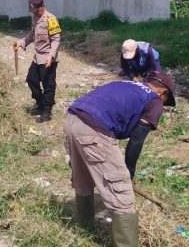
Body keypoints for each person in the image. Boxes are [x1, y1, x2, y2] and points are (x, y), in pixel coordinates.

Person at [63, 71, 176, 247]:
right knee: (121, 193)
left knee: (83, 179)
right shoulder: (154, 101)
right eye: (165, 101)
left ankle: (84, 231)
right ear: (163, 92)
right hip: (94, 128)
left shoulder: (127, 84)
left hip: (72, 119)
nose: (163, 106)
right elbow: (136, 140)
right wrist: (128, 174)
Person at [12, 0, 61, 123]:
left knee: (48, 85)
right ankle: (40, 103)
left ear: (42, 7)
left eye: (37, 11)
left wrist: (51, 55)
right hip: (37, 57)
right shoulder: (34, 18)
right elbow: (31, 35)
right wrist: (21, 43)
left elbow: (56, 40)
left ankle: (47, 111)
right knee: (31, 80)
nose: (35, 13)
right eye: (33, 11)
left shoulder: (51, 19)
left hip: (48, 58)